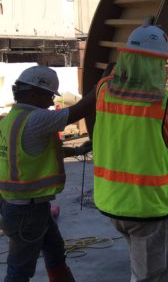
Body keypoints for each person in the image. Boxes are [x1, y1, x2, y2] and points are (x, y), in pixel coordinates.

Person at [93, 24, 168, 282]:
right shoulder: (164, 103)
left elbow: (113, 77)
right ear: (158, 64)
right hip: (147, 207)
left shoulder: (104, 91)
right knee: (151, 276)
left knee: (146, 270)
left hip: (112, 202)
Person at [0, 65, 95, 282]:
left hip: (25, 206)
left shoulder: (10, 120)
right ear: (34, 92)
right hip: (26, 211)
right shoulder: (35, 119)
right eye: (50, 95)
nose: (52, 102)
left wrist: (76, 150)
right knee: (20, 270)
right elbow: (79, 111)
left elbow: (37, 150)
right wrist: (104, 84)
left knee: (54, 251)